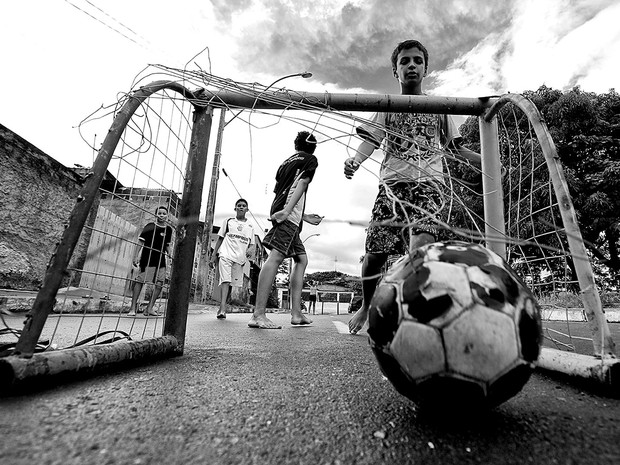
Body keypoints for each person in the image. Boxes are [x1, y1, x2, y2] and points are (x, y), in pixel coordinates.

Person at [344, 39, 482, 334]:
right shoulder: (387, 107)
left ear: (425, 69)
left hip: (430, 185)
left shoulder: (439, 107)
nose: (411, 66)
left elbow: (456, 149)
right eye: (405, 61)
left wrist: (487, 162)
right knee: (375, 255)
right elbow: (370, 140)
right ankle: (367, 305)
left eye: (417, 61)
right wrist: (355, 160)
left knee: (421, 245)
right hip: (393, 186)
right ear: (395, 71)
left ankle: (412, 307)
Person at [248, 131, 324, 329]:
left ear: (296, 144)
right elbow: (302, 183)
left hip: (285, 211)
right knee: (276, 257)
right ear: (313, 146)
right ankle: (258, 315)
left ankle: (297, 314)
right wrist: (288, 211)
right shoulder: (310, 159)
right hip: (287, 214)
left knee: (301, 259)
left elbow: (281, 190)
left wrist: (303, 216)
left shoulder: (285, 163)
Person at [210, 198, 255, 319]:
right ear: (235, 208)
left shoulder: (250, 226)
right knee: (225, 280)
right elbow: (220, 238)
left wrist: (250, 253)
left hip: (239, 258)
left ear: (247, 209)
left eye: (243, 206)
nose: (241, 207)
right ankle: (223, 308)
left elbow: (251, 244)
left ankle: (223, 305)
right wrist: (214, 255)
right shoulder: (228, 221)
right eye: (239, 205)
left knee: (231, 283)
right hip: (225, 254)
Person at [128, 205, 173, 316]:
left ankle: (149, 308)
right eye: (159, 213)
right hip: (147, 258)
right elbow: (140, 242)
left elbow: (167, 245)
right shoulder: (150, 226)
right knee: (141, 281)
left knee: (159, 284)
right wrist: (135, 256)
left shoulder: (168, 229)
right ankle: (132, 308)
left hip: (160, 260)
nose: (161, 215)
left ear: (167, 216)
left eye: (164, 213)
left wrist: (171, 255)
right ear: (155, 215)